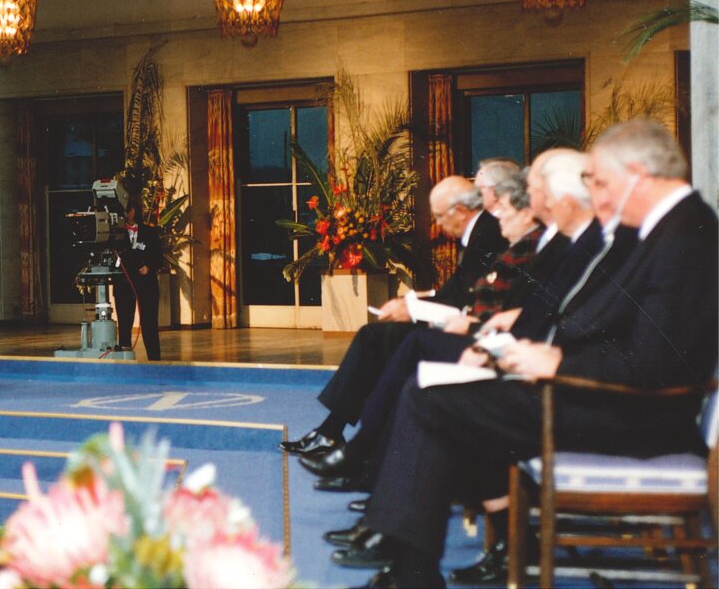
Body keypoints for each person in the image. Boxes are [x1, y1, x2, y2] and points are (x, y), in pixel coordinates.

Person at [350, 120, 718, 588]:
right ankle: (419, 565)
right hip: (610, 399)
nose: (597, 196)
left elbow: (659, 364)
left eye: (600, 182)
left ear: (638, 174)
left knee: (434, 402)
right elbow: (604, 325)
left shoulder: (685, 237)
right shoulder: (665, 229)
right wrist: (534, 349)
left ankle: (412, 570)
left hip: (636, 417)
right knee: (438, 392)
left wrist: (557, 361)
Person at [279, 174, 507, 470]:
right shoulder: (480, 232)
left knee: (377, 338)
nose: (439, 225)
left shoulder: (487, 234)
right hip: (460, 320)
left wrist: (413, 310)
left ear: (460, 211)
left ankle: (345, 438)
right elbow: (459, 289)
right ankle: (333, 432)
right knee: (376, 337)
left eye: (439, 216)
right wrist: (415, 302)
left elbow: (468, 296)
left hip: (473, 331)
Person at [113, 195, 163, 361]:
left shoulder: (150, 232)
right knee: (124, 323)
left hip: (146, 283)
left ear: (135, 210)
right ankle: (125, 359)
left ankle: (154, 360)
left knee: (149, 324)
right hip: (124, 283)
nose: (126, 213)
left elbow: (158, 257)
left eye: (128, 210)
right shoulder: (116, 234)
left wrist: (149, 267)